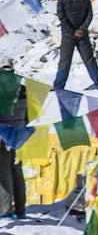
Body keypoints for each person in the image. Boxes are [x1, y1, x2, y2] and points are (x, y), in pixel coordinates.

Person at [54, 0, 98, 90]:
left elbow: (62, 18)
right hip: (82, 34)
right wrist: (81, 29)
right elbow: (89, 15)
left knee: (65, 60)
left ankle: (59, 86)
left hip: (68, 35)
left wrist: (72, 31)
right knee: (88, 58)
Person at [0, 57, 26, 220]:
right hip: (19, 134)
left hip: (2, 135)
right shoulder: (23, 89)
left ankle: (5, 210)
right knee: (17, 171)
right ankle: (20, 208)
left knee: (3, 174)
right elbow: (31, 113)